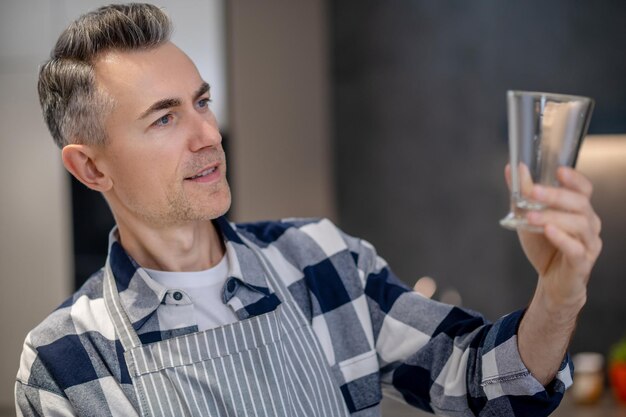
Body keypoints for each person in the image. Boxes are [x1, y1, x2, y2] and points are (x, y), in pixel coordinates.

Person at [15, 3, 602, 417]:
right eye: (164, 118)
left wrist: (559, 294)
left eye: (202, 102)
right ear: (91, 168)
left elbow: (485, 386)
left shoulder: (320, 259)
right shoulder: (65, 361)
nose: (208, 135)